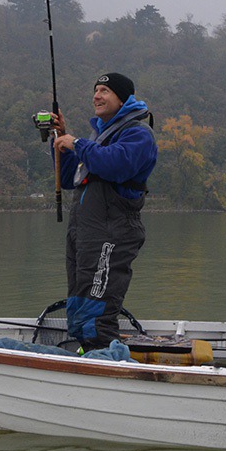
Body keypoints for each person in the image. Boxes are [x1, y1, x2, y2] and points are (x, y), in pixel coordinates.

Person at [51, 72, 158, 350]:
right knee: (79, 303)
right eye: (95, 90)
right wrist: (60, 139)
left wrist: (76, 143)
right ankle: (88, 359)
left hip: (112, 233)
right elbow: (67, 179)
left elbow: (115, 165)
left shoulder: (139, 133)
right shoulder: (98, 137)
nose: (96, 96)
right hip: (85, 233)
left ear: (123, 98)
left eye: (104, 91)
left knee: (97, 312)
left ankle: (107, 367)